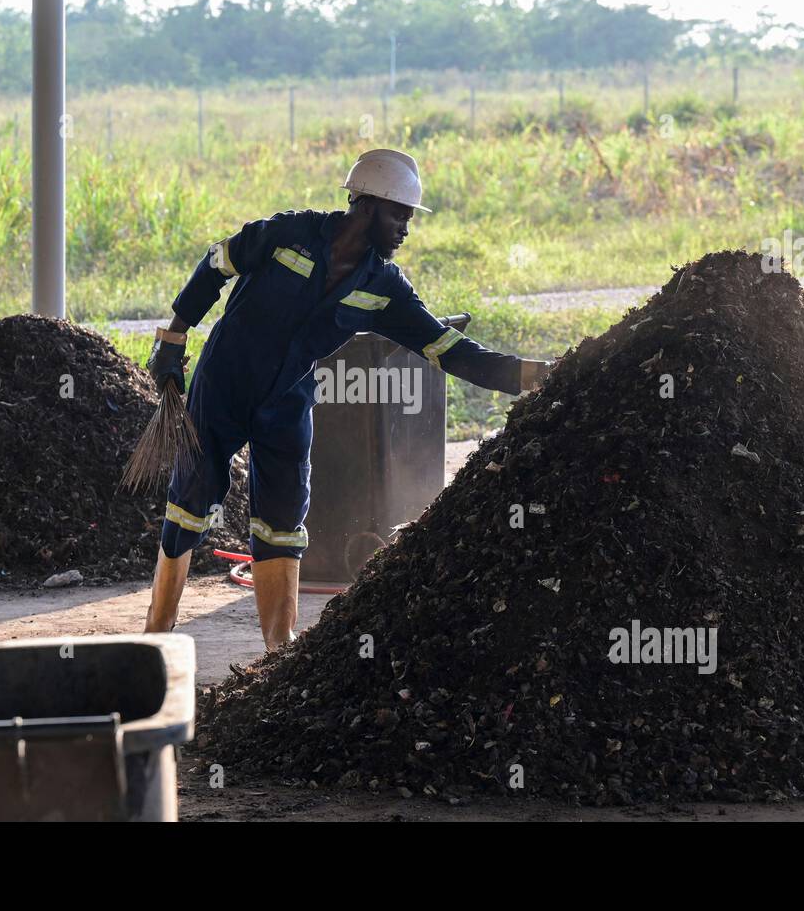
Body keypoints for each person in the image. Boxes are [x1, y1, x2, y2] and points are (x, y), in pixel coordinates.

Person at [143, 149, 552, 650]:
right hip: (222, 387)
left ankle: (279, 648)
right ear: (367, 205)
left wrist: (532, 375)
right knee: (191, 499)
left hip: (287, 402)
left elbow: (451, 351)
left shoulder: (384, 287)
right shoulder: (288, 233)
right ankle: (156, 631)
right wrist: (172, 340)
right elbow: (215, 265)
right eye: (399, 214)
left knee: (283, 517)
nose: (405, 228)